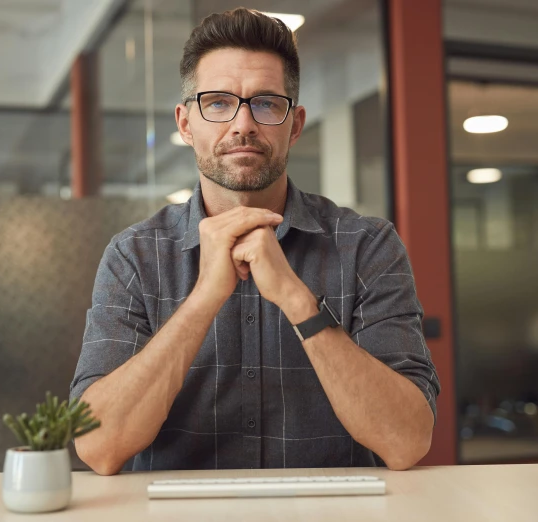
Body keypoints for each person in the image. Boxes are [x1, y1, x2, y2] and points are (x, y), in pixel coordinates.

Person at [70, 8, 440, 475]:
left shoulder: (367, 246)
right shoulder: (134, 256)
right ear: (186, 125)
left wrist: (296, 298)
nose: (243, 124)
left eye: (266, 103)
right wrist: (204, 298)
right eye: (219, 103)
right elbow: (98, 447)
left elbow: (407, 441)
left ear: (296, 124)